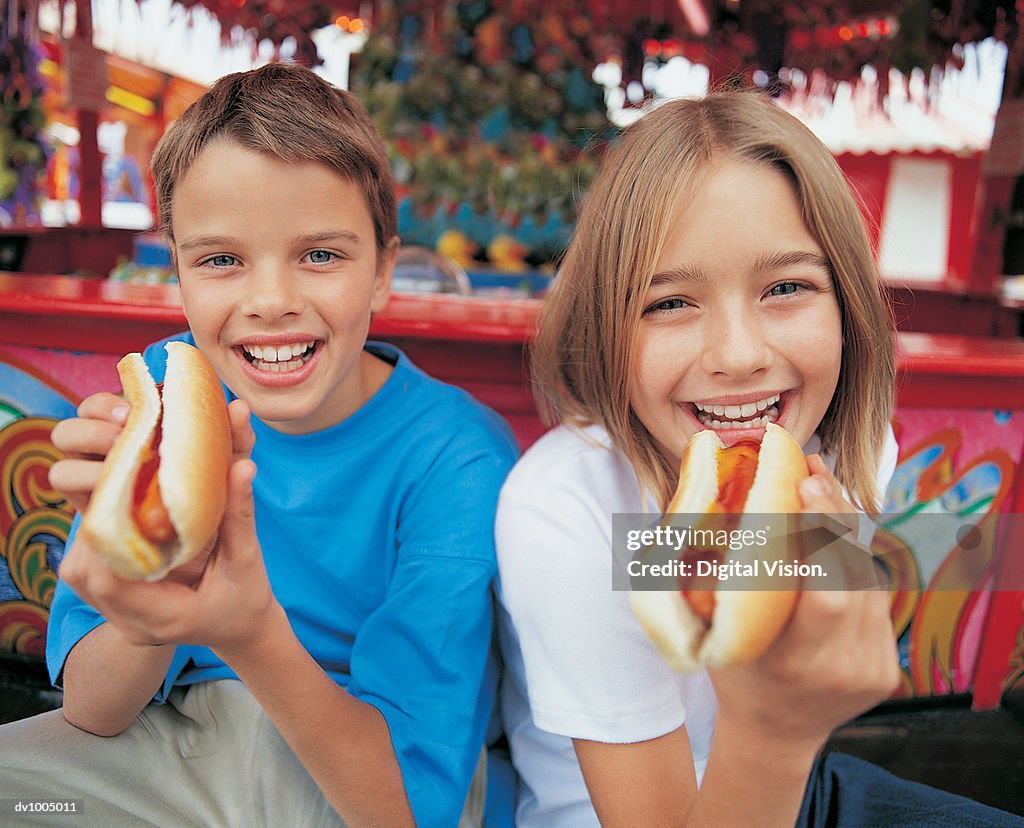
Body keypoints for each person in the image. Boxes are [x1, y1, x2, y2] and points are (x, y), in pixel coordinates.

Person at [0, 62, 519, 827]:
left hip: (352, 765)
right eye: (220, 259)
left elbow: (408, 808)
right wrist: (160, 598)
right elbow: (95, 709)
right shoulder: (163, 391)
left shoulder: (457, 456)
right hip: (166, 745)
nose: (271, 302)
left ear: (382, 271)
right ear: (174, 271)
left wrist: (245, 629)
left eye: (320, 255)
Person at [495, 92, 1024, 826]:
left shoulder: (853, 454)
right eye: (670, 303)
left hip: (794, 786)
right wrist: (779, 727)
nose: (739, 357)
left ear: (849, 307)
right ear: (605, 328)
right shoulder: (568, 510)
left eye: (786, 288)